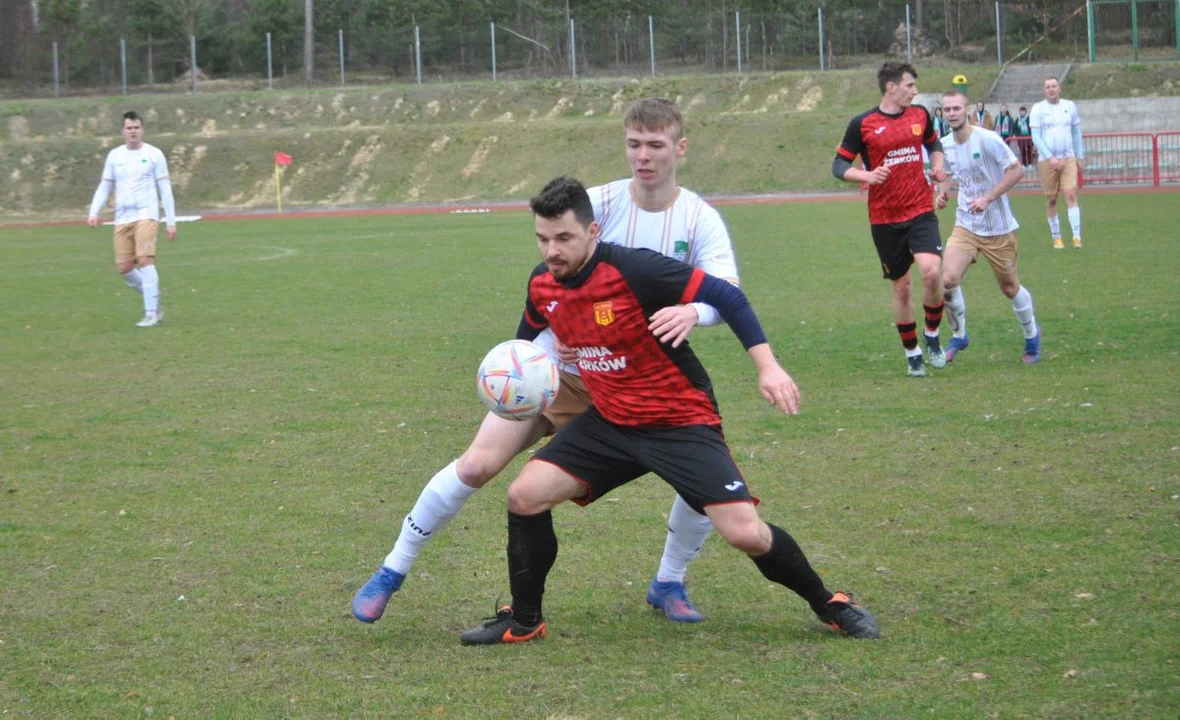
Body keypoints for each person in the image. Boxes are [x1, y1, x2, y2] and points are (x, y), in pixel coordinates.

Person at [352, 99, 740, 625]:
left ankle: (669, 582)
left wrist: (694, 311)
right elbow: (548, 268)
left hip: (640, 386)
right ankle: (392, 569)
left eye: (655, 145)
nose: (642, 156)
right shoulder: (595, 205)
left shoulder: (698, 219)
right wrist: (525, 352)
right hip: (555, 376)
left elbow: (726, 290)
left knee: (703, 484)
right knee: (476, 464)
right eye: (633, 144)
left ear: (680, 147)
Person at [459, 177, 880, 645]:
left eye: (564, 238)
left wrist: (768, 368)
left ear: (593, 231)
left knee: (744, 534)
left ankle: (830, 604)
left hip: (679, 421)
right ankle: (524, 620)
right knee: (525, 495)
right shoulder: (542, 285)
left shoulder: (636, 271)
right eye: (542, 238)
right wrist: (520, 377)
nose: (551, 250)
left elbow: (727, 296)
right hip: (611, 422)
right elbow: (527, 345)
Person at [832, 61, 948, 378]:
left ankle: (933, 337)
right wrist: (867, 174)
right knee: (902, 289)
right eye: (910, 85)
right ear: (891, 87)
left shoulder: (920, 115)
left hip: (920, 209)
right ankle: (912, 354)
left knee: (931, 272)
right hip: (885, 219)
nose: (915, 91)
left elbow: (934, 144)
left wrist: (937, 164)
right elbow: (839, 165)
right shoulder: (863, 124)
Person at [935, 91, 1042, 365]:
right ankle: (959, 336)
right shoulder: (944, 144)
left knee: (1010, 288)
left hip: (998, 228)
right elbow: (946, 173)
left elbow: (1016, 170)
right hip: (966, 226)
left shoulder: (988, 139)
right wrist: (943, 193)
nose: (951, 113)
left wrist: (988, 198)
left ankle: (1031, 335)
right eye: (946, 109)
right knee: (946, 279)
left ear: (967, 110)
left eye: (956, 108)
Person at [88, 110, 177, 327]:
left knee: (145, 260)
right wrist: (93, 211)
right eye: (129, 128)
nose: (133, 131)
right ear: (123, 131)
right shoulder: (115, 156)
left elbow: (165, 189)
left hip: (146, 214)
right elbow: (105, 185)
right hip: (122, 218)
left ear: (142, 129)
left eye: (137, 127)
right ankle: (153, 295)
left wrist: (171, 220)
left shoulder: (154, 154)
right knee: (125, 268)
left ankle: (150, 314)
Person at [1030, 77, 1085, 249]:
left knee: (1070, 193)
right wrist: (1050, 157)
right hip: (1047, 161)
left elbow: (1076, 132)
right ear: (1044, 90)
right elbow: (1036, 137)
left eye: (1054, 86)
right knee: (1052, 199)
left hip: (1068, 157)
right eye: (1048, 87)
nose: (1051, 89)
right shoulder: (1038, 109)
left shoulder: (1069, 106)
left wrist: (1080, 156)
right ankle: (1057, 236)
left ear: (1059, 88)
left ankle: (1076, 236)